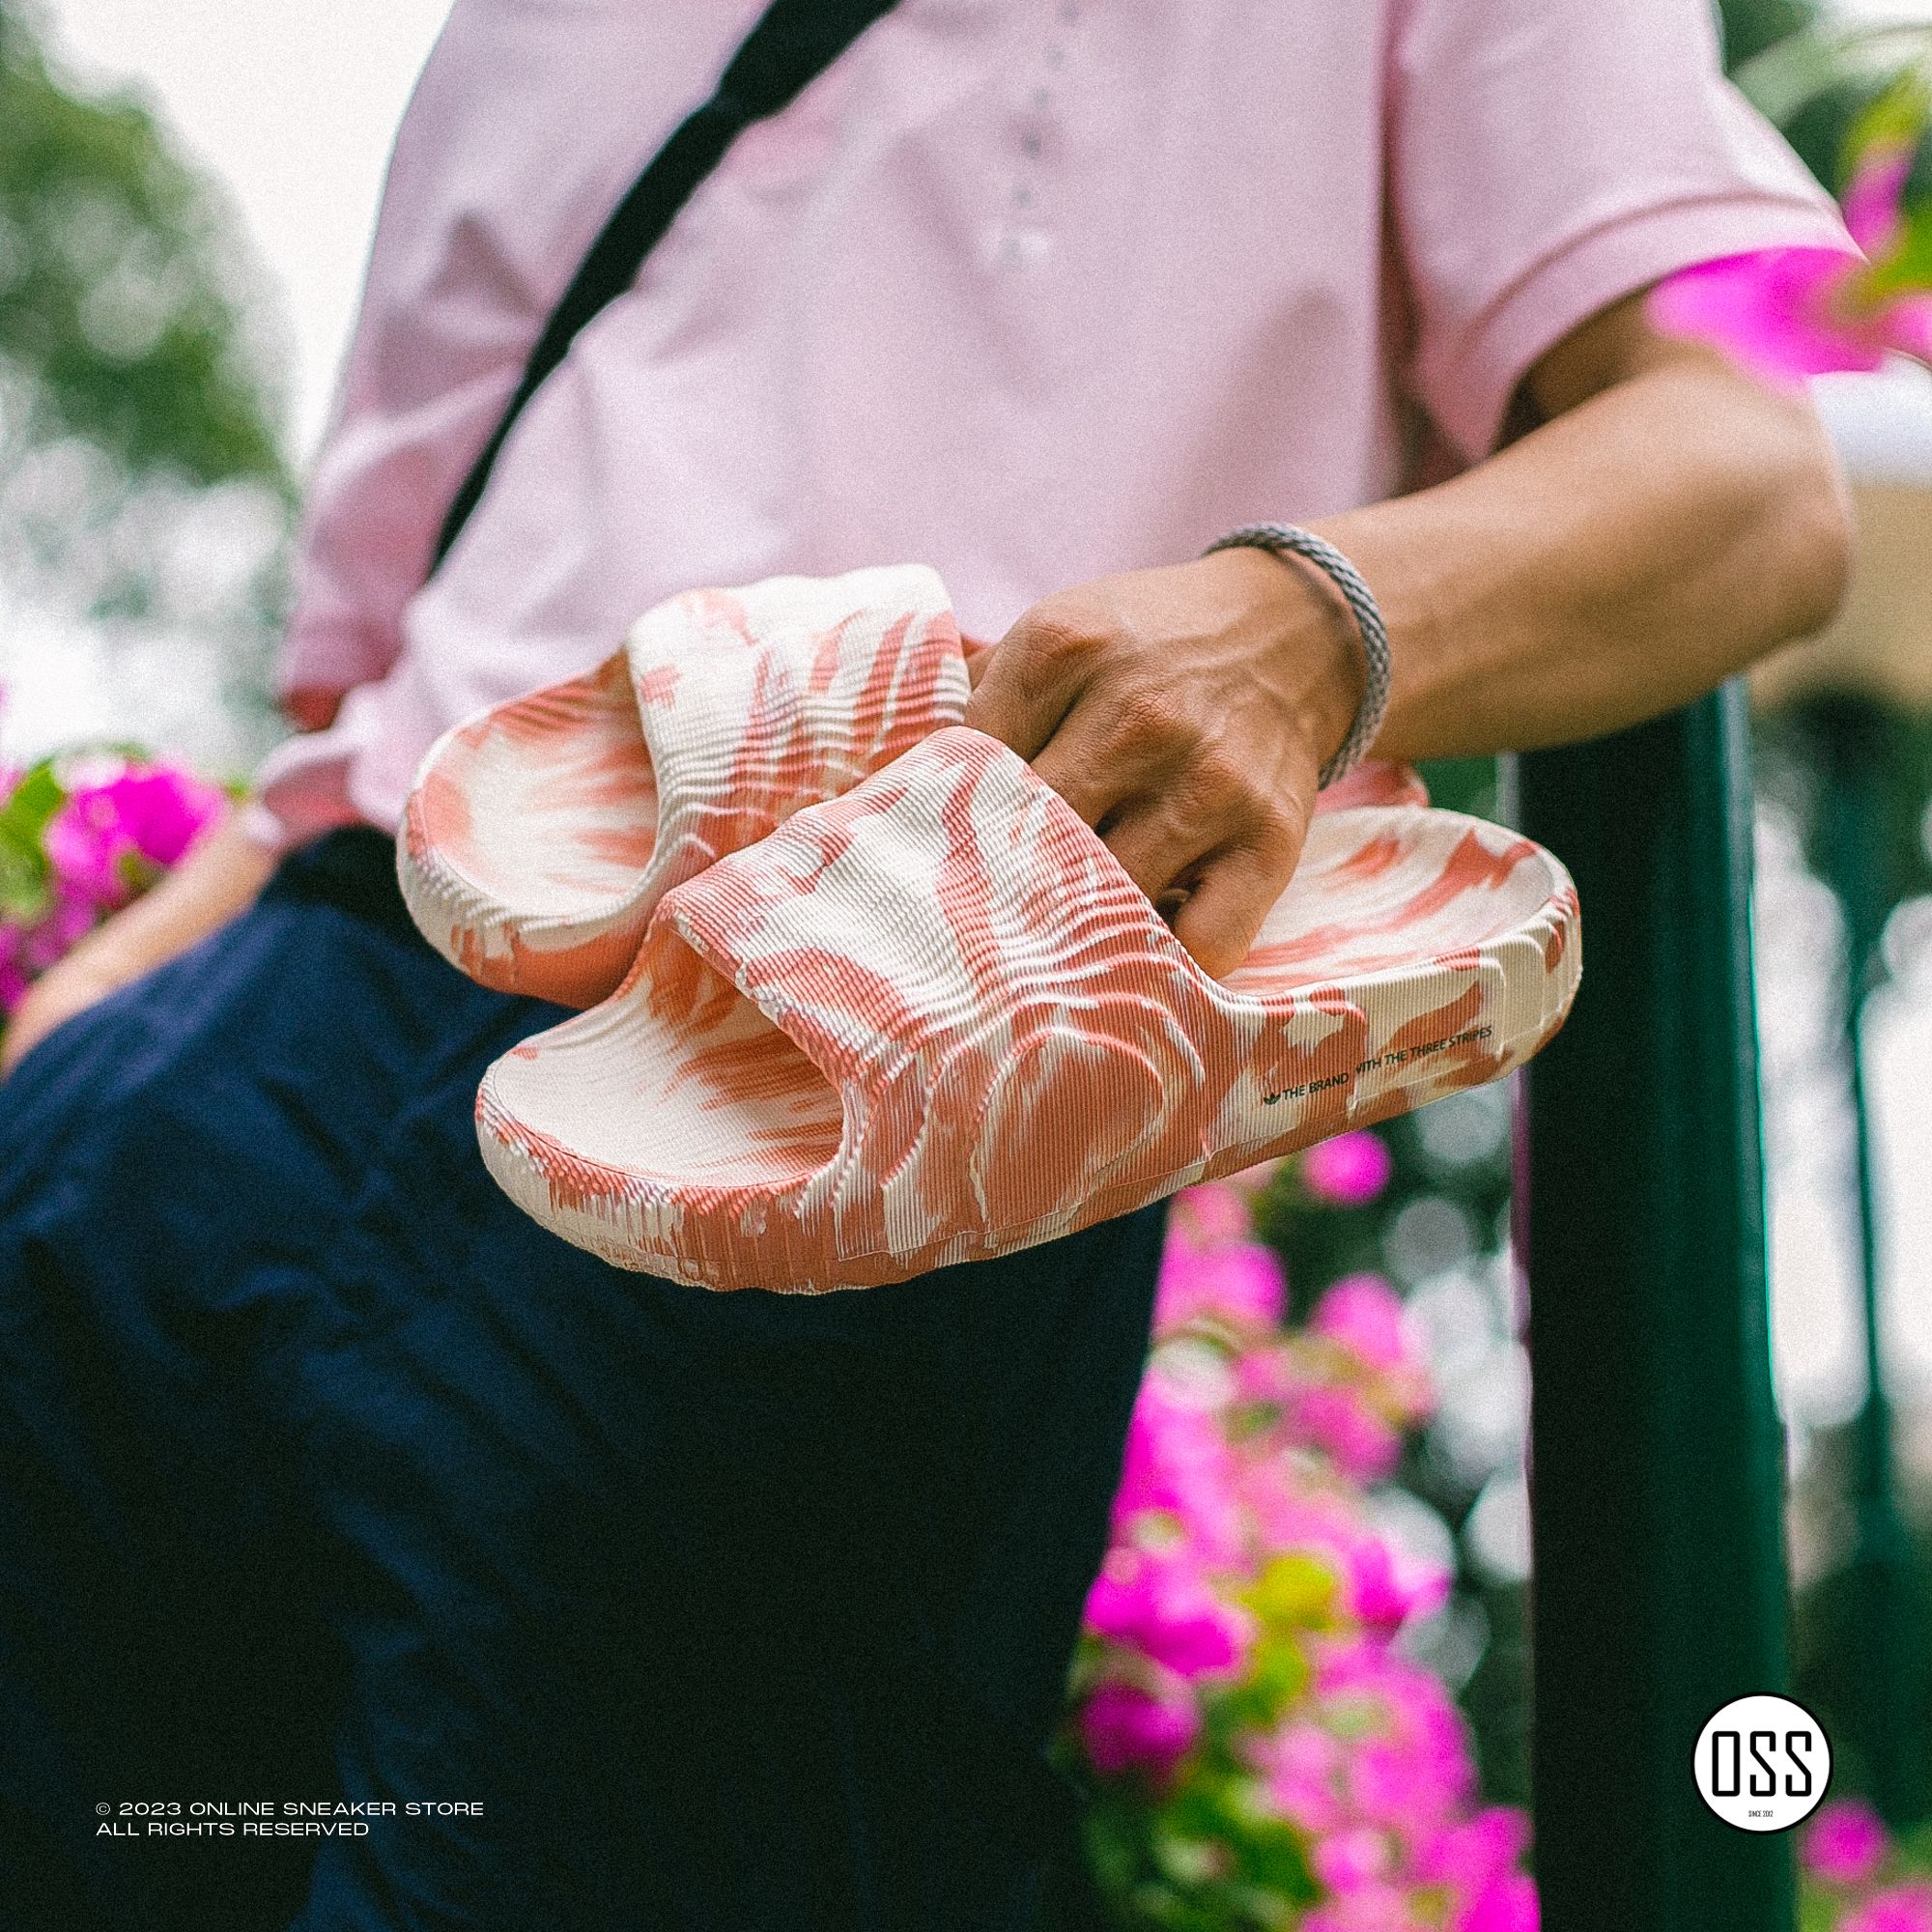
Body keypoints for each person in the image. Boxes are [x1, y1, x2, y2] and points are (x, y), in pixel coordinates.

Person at [0, 2, 1853, 1927]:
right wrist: (100, 1037)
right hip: (230, 1072)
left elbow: (1744, 467)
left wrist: (1309, 630)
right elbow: (381, 663)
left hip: (847, 1108)